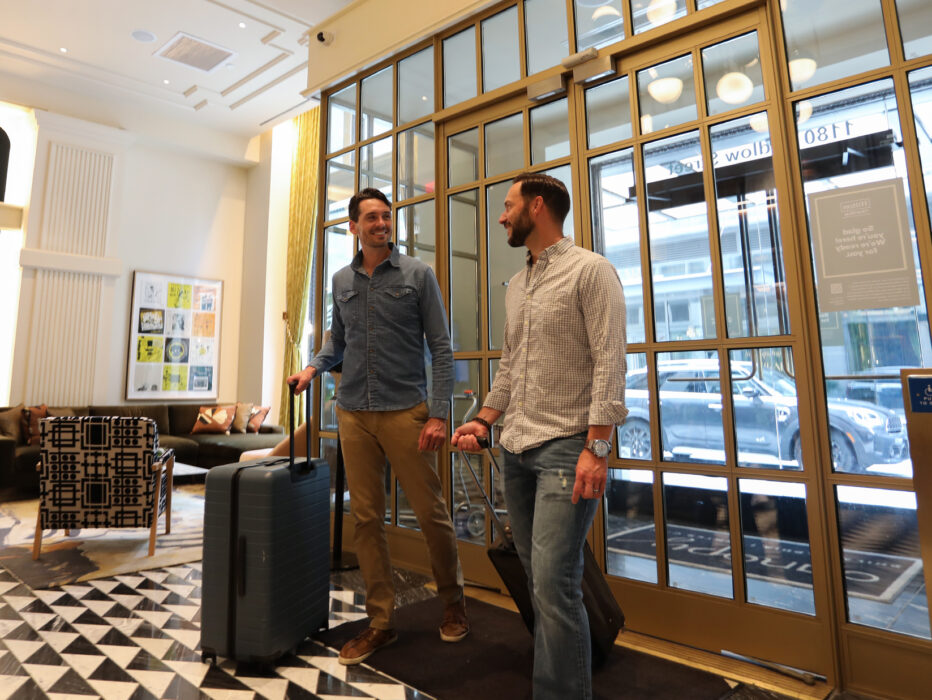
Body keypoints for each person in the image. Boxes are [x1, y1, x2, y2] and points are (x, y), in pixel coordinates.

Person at [452, 172, 626, 699]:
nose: (502, 217)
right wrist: (483, 419)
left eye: (507, 207)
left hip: (567, 448)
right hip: (516, 449)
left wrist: (597, 449)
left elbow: (610, 365)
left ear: (538, 204)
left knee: (554, 583)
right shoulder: (519, 285)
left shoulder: (592, 272)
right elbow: (511, 368)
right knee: (540, 581)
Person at [288, 187, 468, 665]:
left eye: (386, 216)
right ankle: (381, 622)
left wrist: (438, 413)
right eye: (371, 217)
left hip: (406, 410)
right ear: (353, 226)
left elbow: (443, 349)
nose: (381, 224)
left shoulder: (417, 274)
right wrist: (312, 369)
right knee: (366, 520)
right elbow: (338, 341)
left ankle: (453, 603)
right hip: (353, 411)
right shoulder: (341, 279)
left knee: (431, 514)